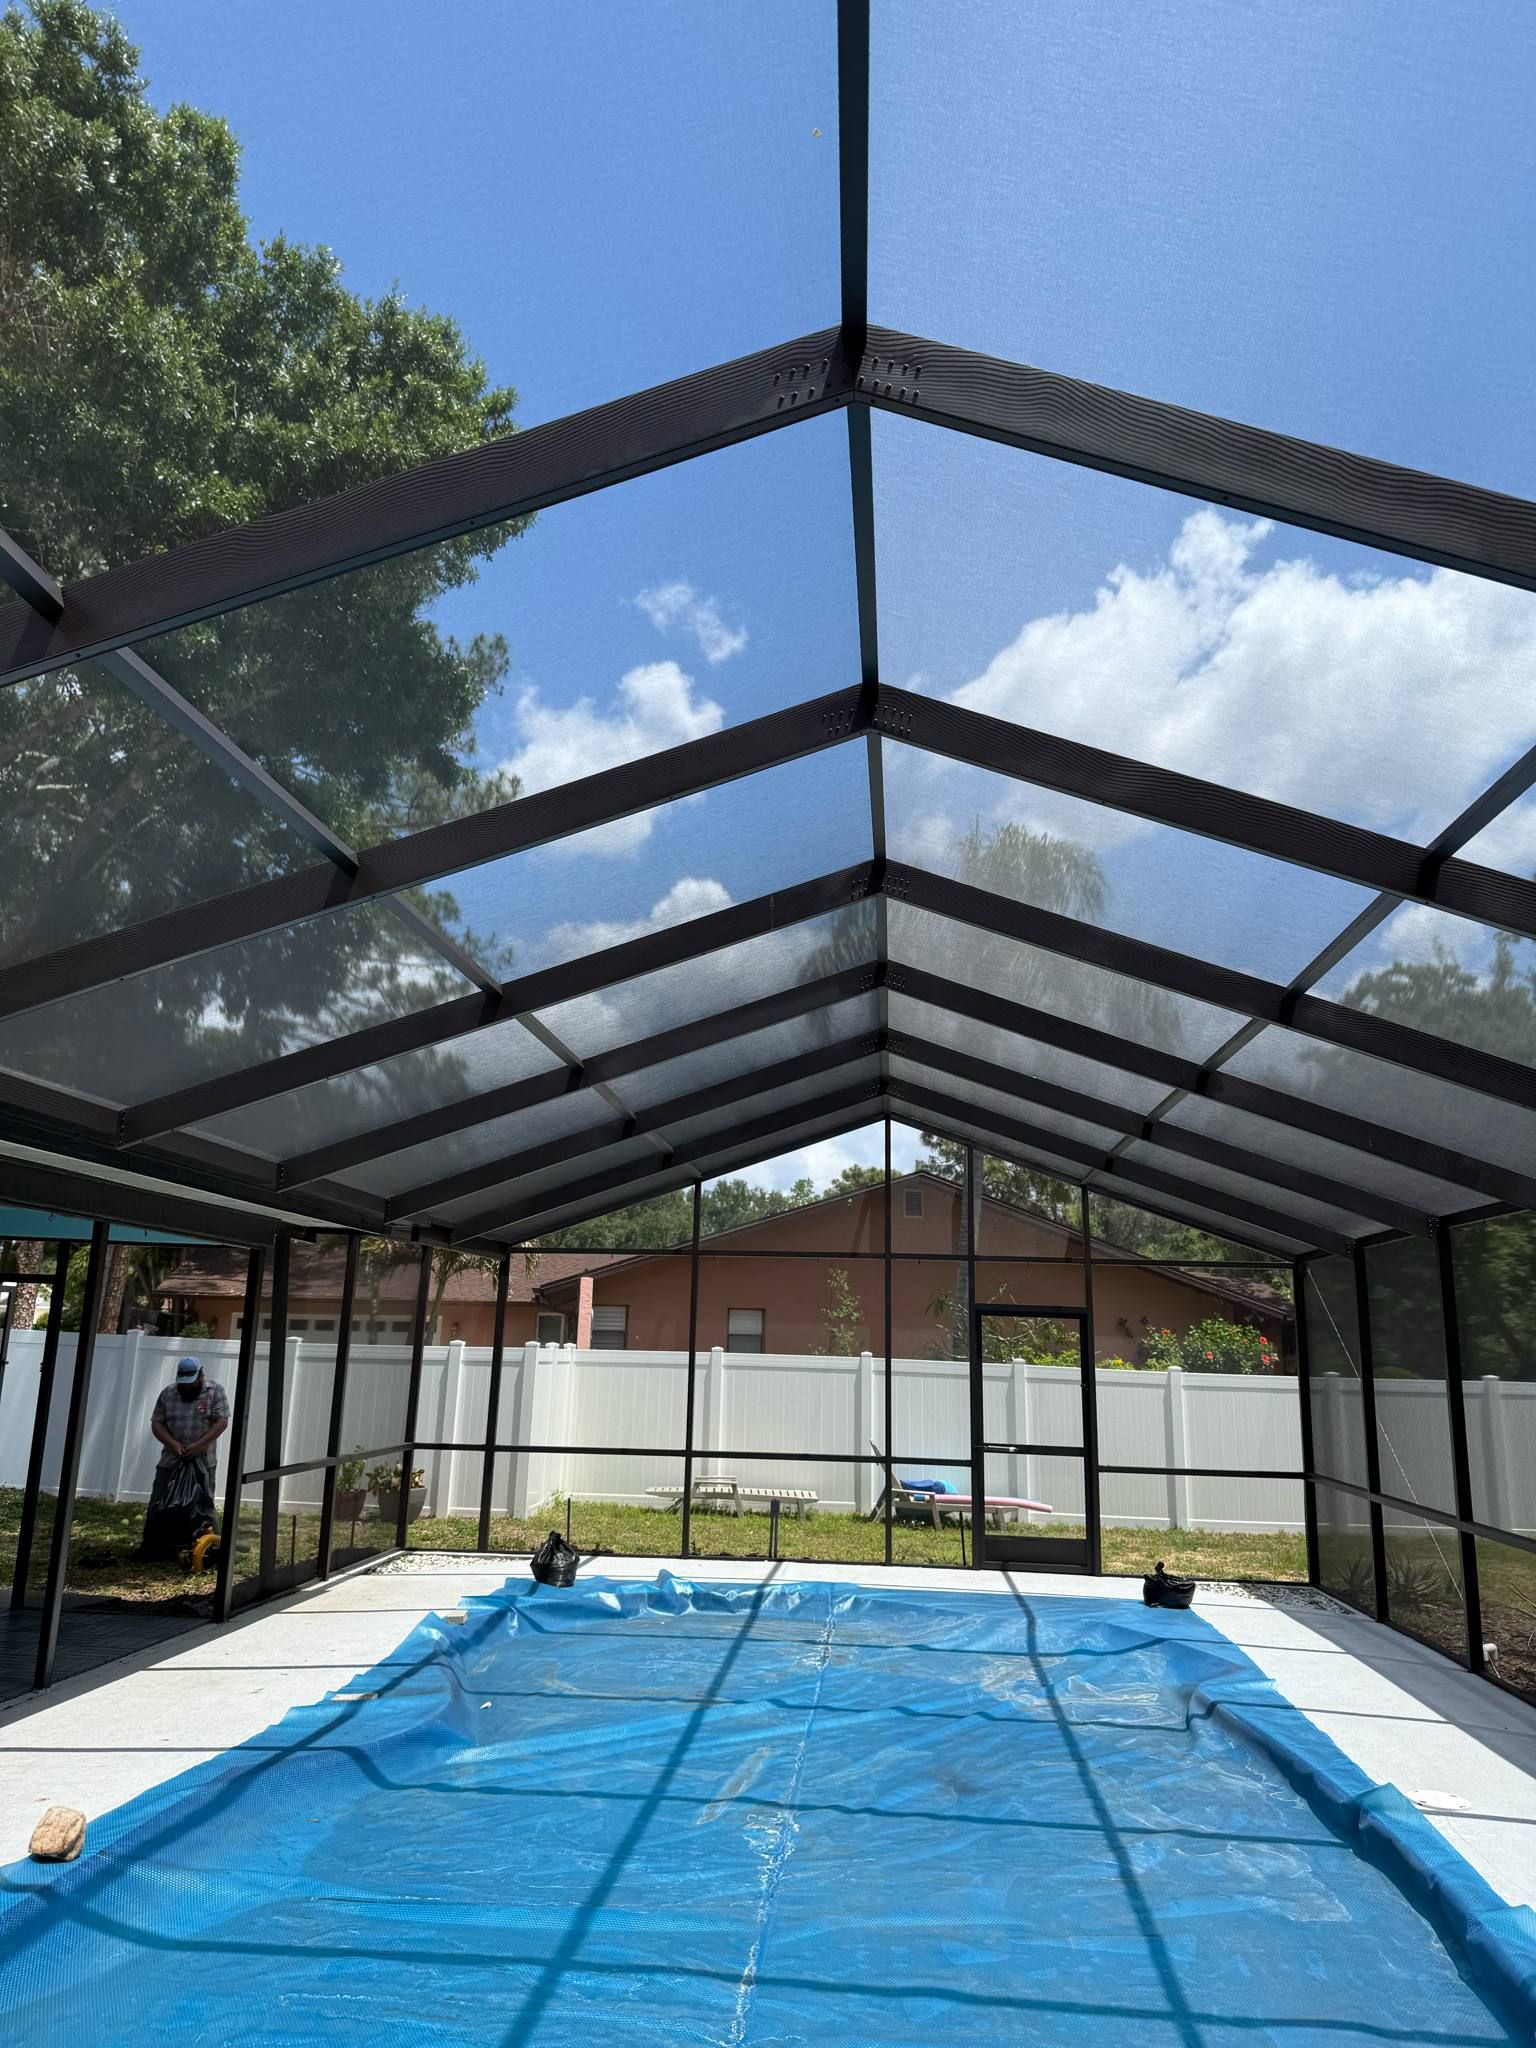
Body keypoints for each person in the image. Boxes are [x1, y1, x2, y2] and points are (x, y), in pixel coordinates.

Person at [141, 1357, 230, 1557]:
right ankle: (155, 1547)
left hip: (203, 1461)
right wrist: (173, 1445)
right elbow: (157, 1423)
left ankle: (206, 1548)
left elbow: (221, 1422)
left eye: (191, 1382)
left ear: (201, 1374)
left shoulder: (215, 1391)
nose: (187, 1387)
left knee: (203, 1504)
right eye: (184, 1383)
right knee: (159, 1502)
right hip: (171, 1461)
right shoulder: (168, 1393)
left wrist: (200, 1445)